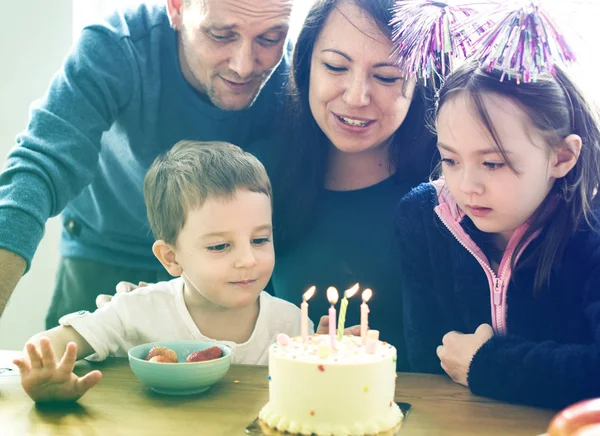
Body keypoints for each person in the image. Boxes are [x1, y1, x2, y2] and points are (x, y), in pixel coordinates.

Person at [0, 0, 295, 328]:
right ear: (177, 8)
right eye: (221, 35)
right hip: (109, 254)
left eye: (269, 39)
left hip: (235, 269)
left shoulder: (297, 71)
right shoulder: (116, 46)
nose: (243, 66)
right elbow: (40, 165)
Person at [12, 140, 312, 403]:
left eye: (260, 240)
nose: (248, 260)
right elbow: (46, 348)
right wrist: (44, 378)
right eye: (220, 246)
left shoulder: (291, 325)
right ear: (171, 257)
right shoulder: (137, 309)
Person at [396, 59, 600, 409]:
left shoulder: (591, 228)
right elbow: (428, 360)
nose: (467, 186)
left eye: (492, 163)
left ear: (562, 157)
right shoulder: (422, 216)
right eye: (450, 159)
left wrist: (488, 365)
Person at [261, 0, 437, 370]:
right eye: (335, 66)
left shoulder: (456, 183)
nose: (357, 96)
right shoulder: (260, 174)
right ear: (305, 64)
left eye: (387, 76)